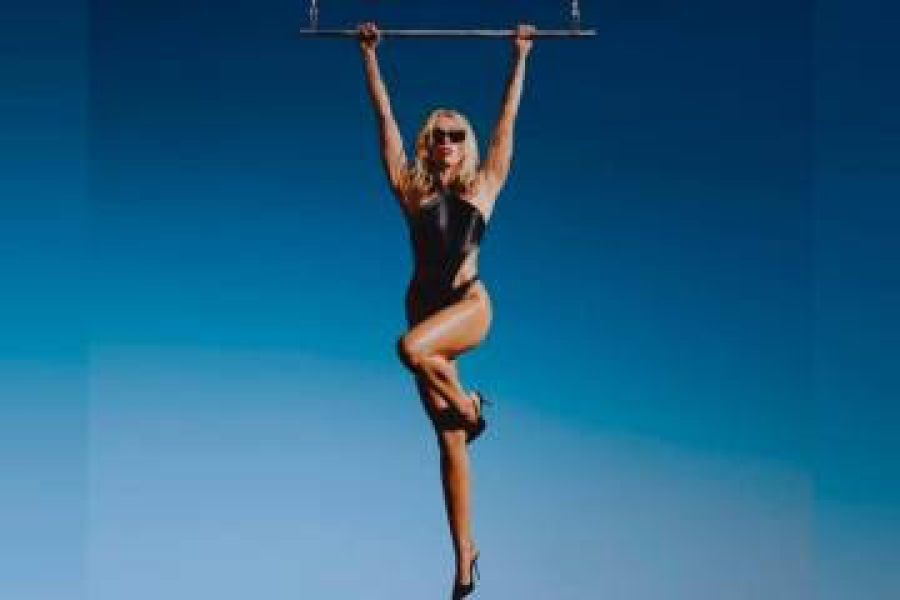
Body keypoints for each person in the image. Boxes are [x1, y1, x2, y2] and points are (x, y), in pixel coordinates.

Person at [358, 21, 533, 599]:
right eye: (439, 134)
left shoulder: (483, 188)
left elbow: (508, 122)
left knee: (410, 351)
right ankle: (463, 559)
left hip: (469, 306)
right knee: (449, 439)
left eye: (456, 133)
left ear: (467, 142)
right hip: (423, 309)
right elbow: (384, 121)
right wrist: (369, 57)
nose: (448, 141)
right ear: (428, 143)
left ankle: (471, 406)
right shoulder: (412, 191)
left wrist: (520, 55)